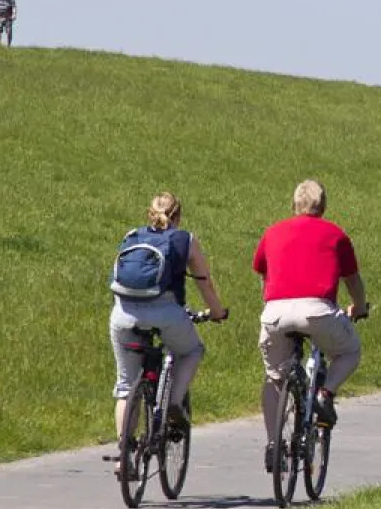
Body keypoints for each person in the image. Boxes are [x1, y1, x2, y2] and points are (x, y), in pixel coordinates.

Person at [253, 179, 366, 469]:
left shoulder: (273, 232)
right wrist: (360, 306)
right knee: (349, 351)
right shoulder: (335, 234)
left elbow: (261, 271)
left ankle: (272, 444)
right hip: (317, 310)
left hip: (275, 312)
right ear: (323, 206)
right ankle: (324, 394)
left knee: (274, 377)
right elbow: (351, 279)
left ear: (294, 204)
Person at [109, 192, 228, 452]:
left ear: (149, 213)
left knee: (126, 385)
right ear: (178, 215)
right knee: (192, 350)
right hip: (166, 312)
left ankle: (123, 457)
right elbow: (204, 283)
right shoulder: (185, 240)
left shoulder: (132, 236)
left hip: (123, 313)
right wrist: (217, 312)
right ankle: (174, 401)